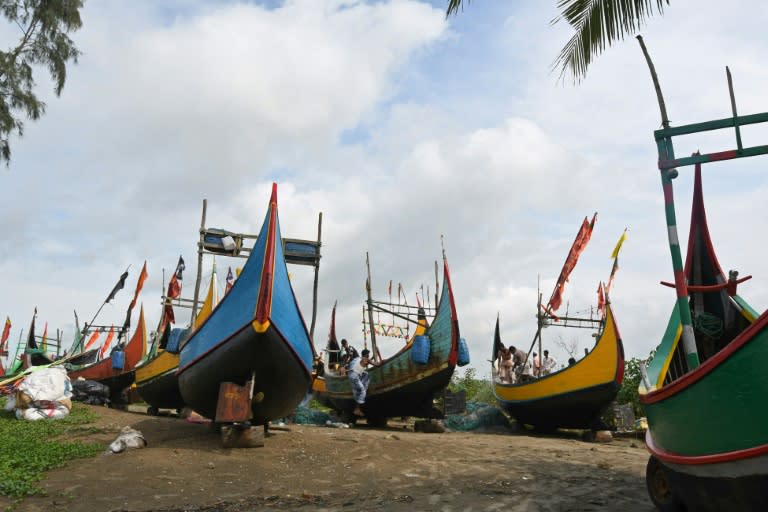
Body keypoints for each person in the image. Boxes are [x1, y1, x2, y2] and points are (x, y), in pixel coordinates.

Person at [348, 349, 375, 417]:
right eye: (368, 354)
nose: (368, 356)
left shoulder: (357, 359)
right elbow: (376, 364)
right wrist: (382, 361)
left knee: (366, 374)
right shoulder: (366, 359)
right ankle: (357, 409)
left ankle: (357, 407)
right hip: (355, 376)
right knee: (362, 391)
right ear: (366, 355)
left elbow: (351, 366)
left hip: (350, 375)